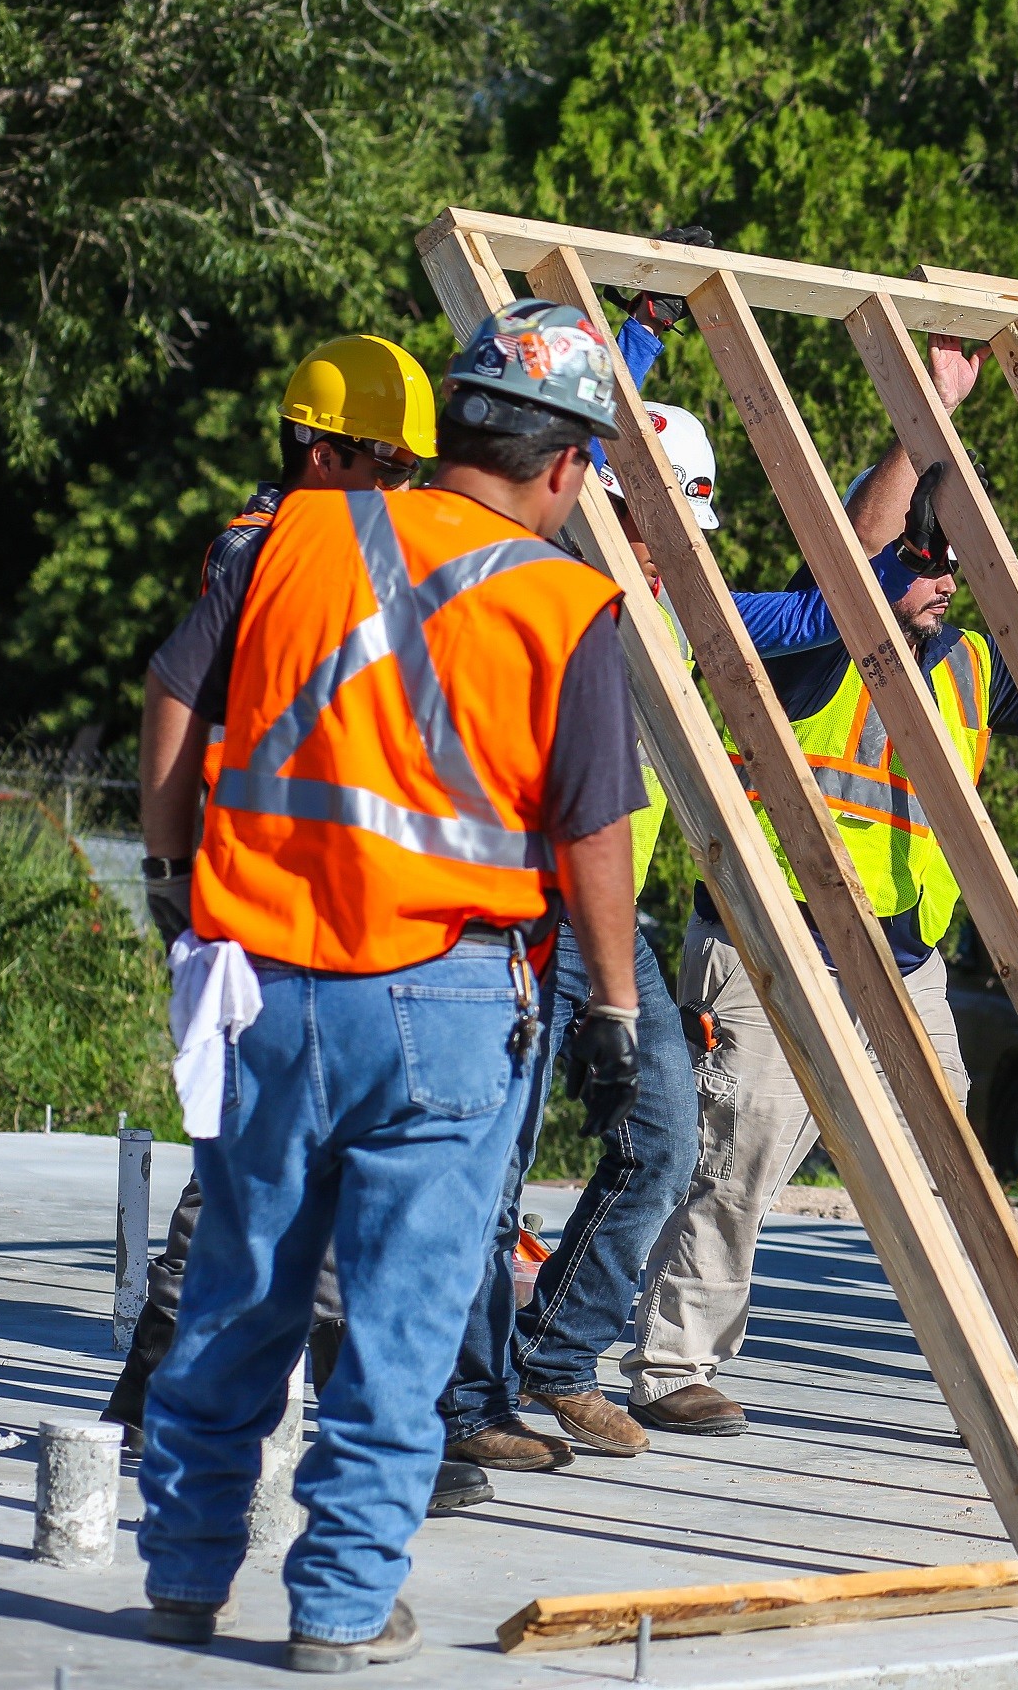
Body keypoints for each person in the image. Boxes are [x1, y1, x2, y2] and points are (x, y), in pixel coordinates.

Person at [134, 297, 646, 1672]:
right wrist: (615, 1005)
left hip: (267, 982)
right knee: (401, 1327)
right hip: (447, 1000)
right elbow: (595, 827)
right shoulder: (563, 600)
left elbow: (175, 693)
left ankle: (183, 1574)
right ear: (564, 466)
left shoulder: (295, 532)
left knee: (244, 1291)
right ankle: (342, 1610)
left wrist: (175, 863)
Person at [622, 341, 1018, 1435]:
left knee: (949, 1179)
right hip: (769, 940)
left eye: (952, 561)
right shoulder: (814, 635)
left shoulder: (970, 664)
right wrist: (924, 416)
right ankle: (671, 1365)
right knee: (738, 1162)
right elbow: (859, 547)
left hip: (904, 956)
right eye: (922, 554)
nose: (937, 574)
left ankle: (1015, 1361)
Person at [106, 335, 436, 1463]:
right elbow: (174, 687)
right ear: (317, 448)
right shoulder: (270, 550)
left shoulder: (372, 547)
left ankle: (363, 1432)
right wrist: (165, 865)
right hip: (268, 904)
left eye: (409, 467)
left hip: (361, 908)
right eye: (381, 463)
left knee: (355, 1179)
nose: (402, 487)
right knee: (248, 1177)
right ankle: (149, 1405)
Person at [432, 402, 725, 1477]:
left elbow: (824, 603)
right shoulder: (549, 575)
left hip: (608, 924)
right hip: (513, 915)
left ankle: (555, 1351)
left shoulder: (680, 612)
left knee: (664, 1140)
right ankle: (468, 1403)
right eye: (673, 520)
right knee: (488, 1178)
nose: (685, 548)